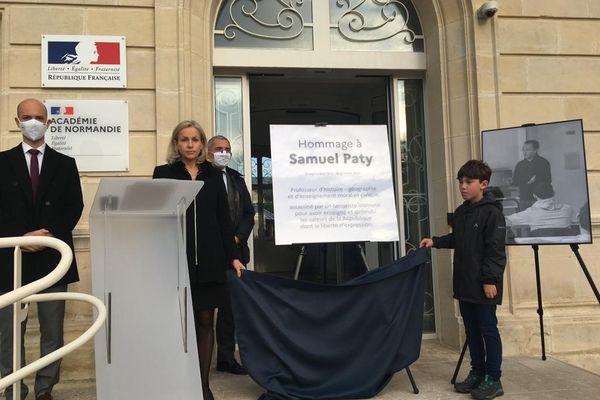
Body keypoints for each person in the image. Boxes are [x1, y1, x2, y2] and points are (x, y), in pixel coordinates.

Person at [152, 121, 245, 400]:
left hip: (210, 260)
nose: (190, 144)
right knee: (179, 324)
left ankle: (203, 386)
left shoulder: (214, 176)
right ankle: (180, 383)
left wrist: (234, 257)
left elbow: (224, 221)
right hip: (175, 260)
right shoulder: (164, 173)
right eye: (184, 140)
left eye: (195, 139)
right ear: (176, 144)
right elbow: (156, 218)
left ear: (202, 144)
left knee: (206, 321)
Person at [0, 98, 84, 400]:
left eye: (38, 117)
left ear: (48, 123)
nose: (33, 121)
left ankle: (45, 389)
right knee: (9, 334)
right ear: (17, 121)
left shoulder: (65, 164)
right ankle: (13, 389)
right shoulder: (2, 162)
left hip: (52, 258)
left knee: (53, 331)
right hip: (10, 259)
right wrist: (21, 237)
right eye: (27, 116)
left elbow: (74, 206)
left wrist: (45, 235)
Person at [420, 160, 506, 400]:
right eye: (461, 182)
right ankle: (477, 372)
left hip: (485, 284)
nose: (463, 186)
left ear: (483, 184)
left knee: (488, 330)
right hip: (465, 282)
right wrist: (435, 241)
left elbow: (496, 250)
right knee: (471, 331)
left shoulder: (492, 213)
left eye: (469, 182)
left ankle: (493, 378)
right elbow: (457, 239)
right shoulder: (462, 212)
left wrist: (490, 280)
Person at [207, 135, 255, 375]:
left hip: (236, 251)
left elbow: (249, 212)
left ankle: (226, 358)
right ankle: (200, 359)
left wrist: (237, 238)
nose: (223, 153)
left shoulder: (236, 177)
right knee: (205, 308)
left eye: (227, 149)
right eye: (218, 149)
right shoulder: (203, 176)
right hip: (210, 251)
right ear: (209, 152)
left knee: (231, 308)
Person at [506, 182, 576, 235]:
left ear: (534, 196)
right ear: (554, 193)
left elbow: (506, 221)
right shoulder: (568, 209)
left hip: (541, 249)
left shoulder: (530, 213)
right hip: (564, 248)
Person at [512, 139, 551, 211]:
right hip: (524, 199)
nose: (524, 152)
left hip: (540, 199)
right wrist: (510, 181)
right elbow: (515, 182)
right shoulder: (520, 165)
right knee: (524, 220)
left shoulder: (543, 162)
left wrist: (536, 179)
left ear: (535, 150)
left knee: (539, 219)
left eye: (527, 149)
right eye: (523, 150)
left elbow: (548, 180)